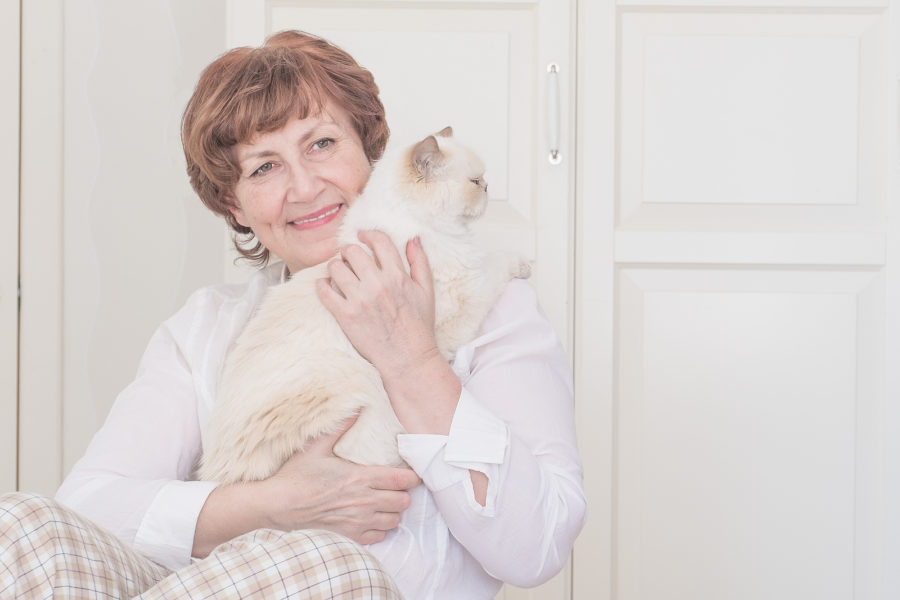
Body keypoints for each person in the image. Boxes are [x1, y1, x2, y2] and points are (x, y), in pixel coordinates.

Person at [0, 30, 585, 599]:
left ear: (371, 152)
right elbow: (87, 509)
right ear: (235, 205)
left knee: (318, 563)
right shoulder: (205, 326)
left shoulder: (494, 305)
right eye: (264, 167)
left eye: (322, 144)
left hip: (347, 584)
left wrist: (412, 357)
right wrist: (276, 505)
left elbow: (537, 546)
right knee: (20, 526)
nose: (305, 187)